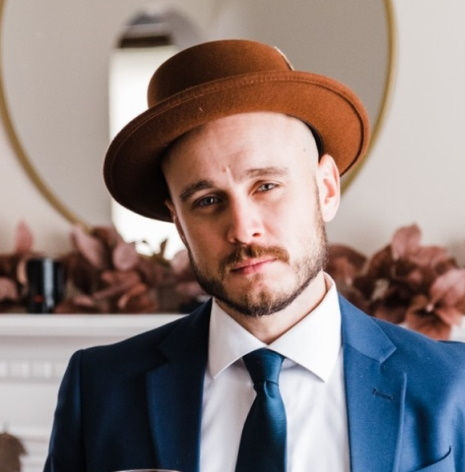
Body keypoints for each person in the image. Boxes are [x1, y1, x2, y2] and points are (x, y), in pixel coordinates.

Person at [44, 39, 465, 472]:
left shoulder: (452, 383)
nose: (243, 230)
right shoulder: (101, 388)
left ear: (325, 189)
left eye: (266, 186)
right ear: (178, 223)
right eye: (207, 201)